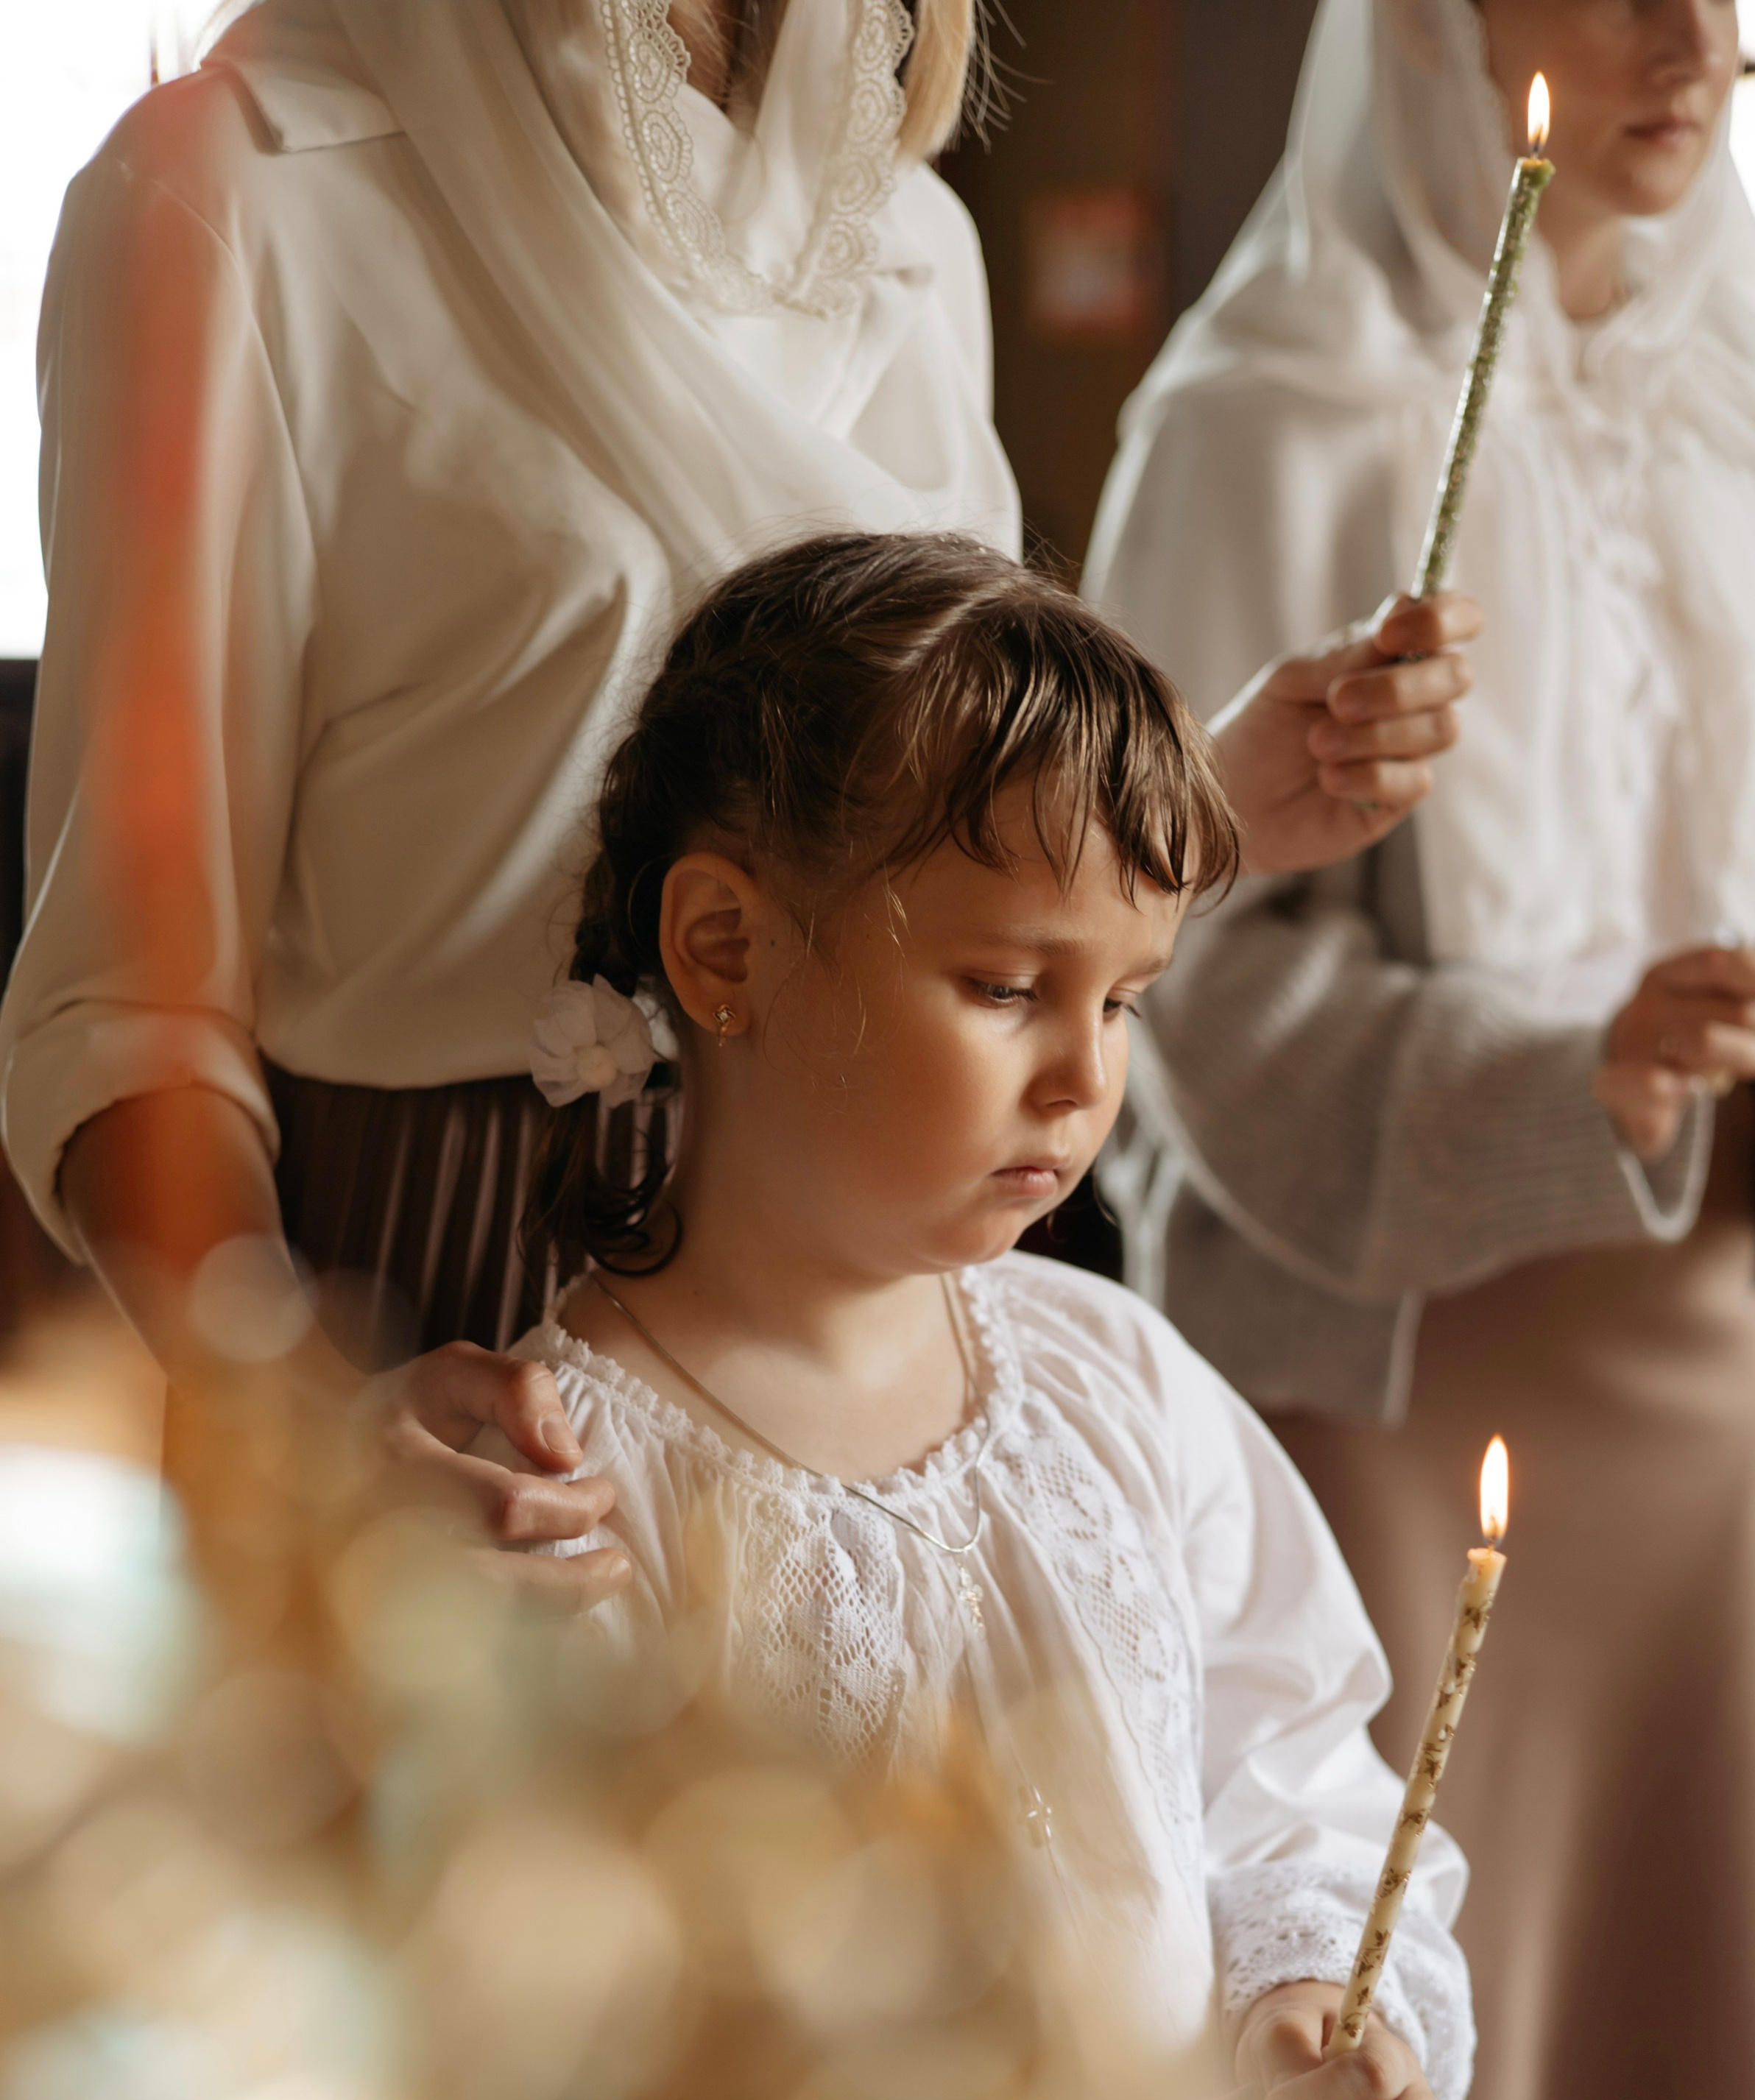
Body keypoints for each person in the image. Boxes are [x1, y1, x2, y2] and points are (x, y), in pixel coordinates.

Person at [0, 0, 1474, 1593]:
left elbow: (921, 837)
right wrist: (307, 1414)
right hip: (433, 1329)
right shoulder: (231, 192)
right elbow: (123, 1000)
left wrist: (1205, 797)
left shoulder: (903, 233)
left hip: (881, 1324)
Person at [1083, 4, 1755, 2100]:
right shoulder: (1272, 412)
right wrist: (1577, 1062)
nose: (1680, 43)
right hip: (1398, 1354)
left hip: (1696, 1346)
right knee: (1382, 2013)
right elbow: (1163, 985)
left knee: (1625, 2016)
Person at [500, 523, 1475, 2100]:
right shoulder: (562, 1506)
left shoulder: (1117, 1396)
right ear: (725, 950)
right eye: (1006, 985)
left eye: (1124, 1001)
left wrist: (1309, 2025)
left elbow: (1296, 1792)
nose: (1081, 1079)